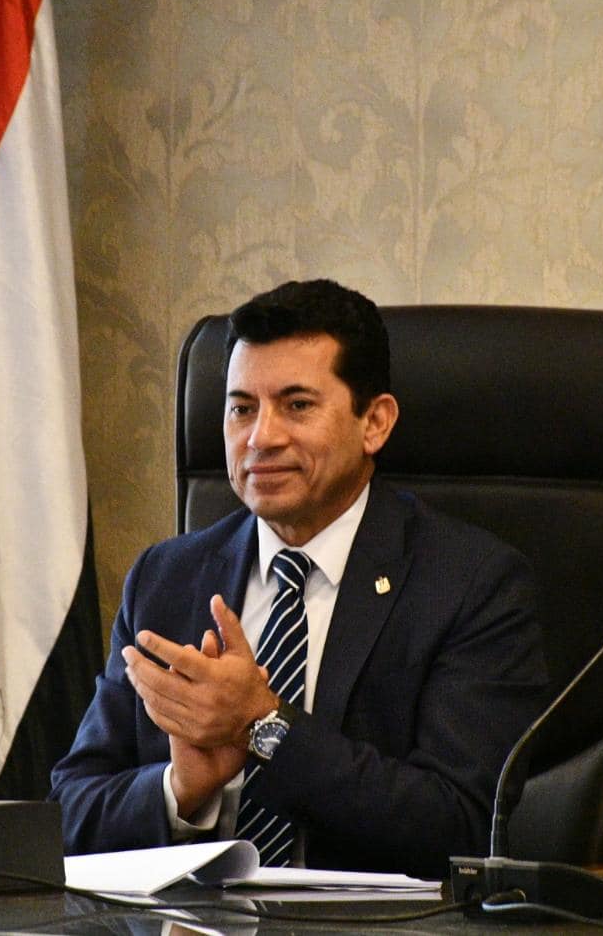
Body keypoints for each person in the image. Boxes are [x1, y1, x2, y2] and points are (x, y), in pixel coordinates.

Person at [49, 279, 548, 879]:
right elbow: (68, 815)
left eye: (297, 405)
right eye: (242, 408)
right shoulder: (166, 578)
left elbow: (461, 827)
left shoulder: (471, 585)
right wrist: (181, 790)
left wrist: (263, 727)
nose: (261, 437)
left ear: (375, 422)